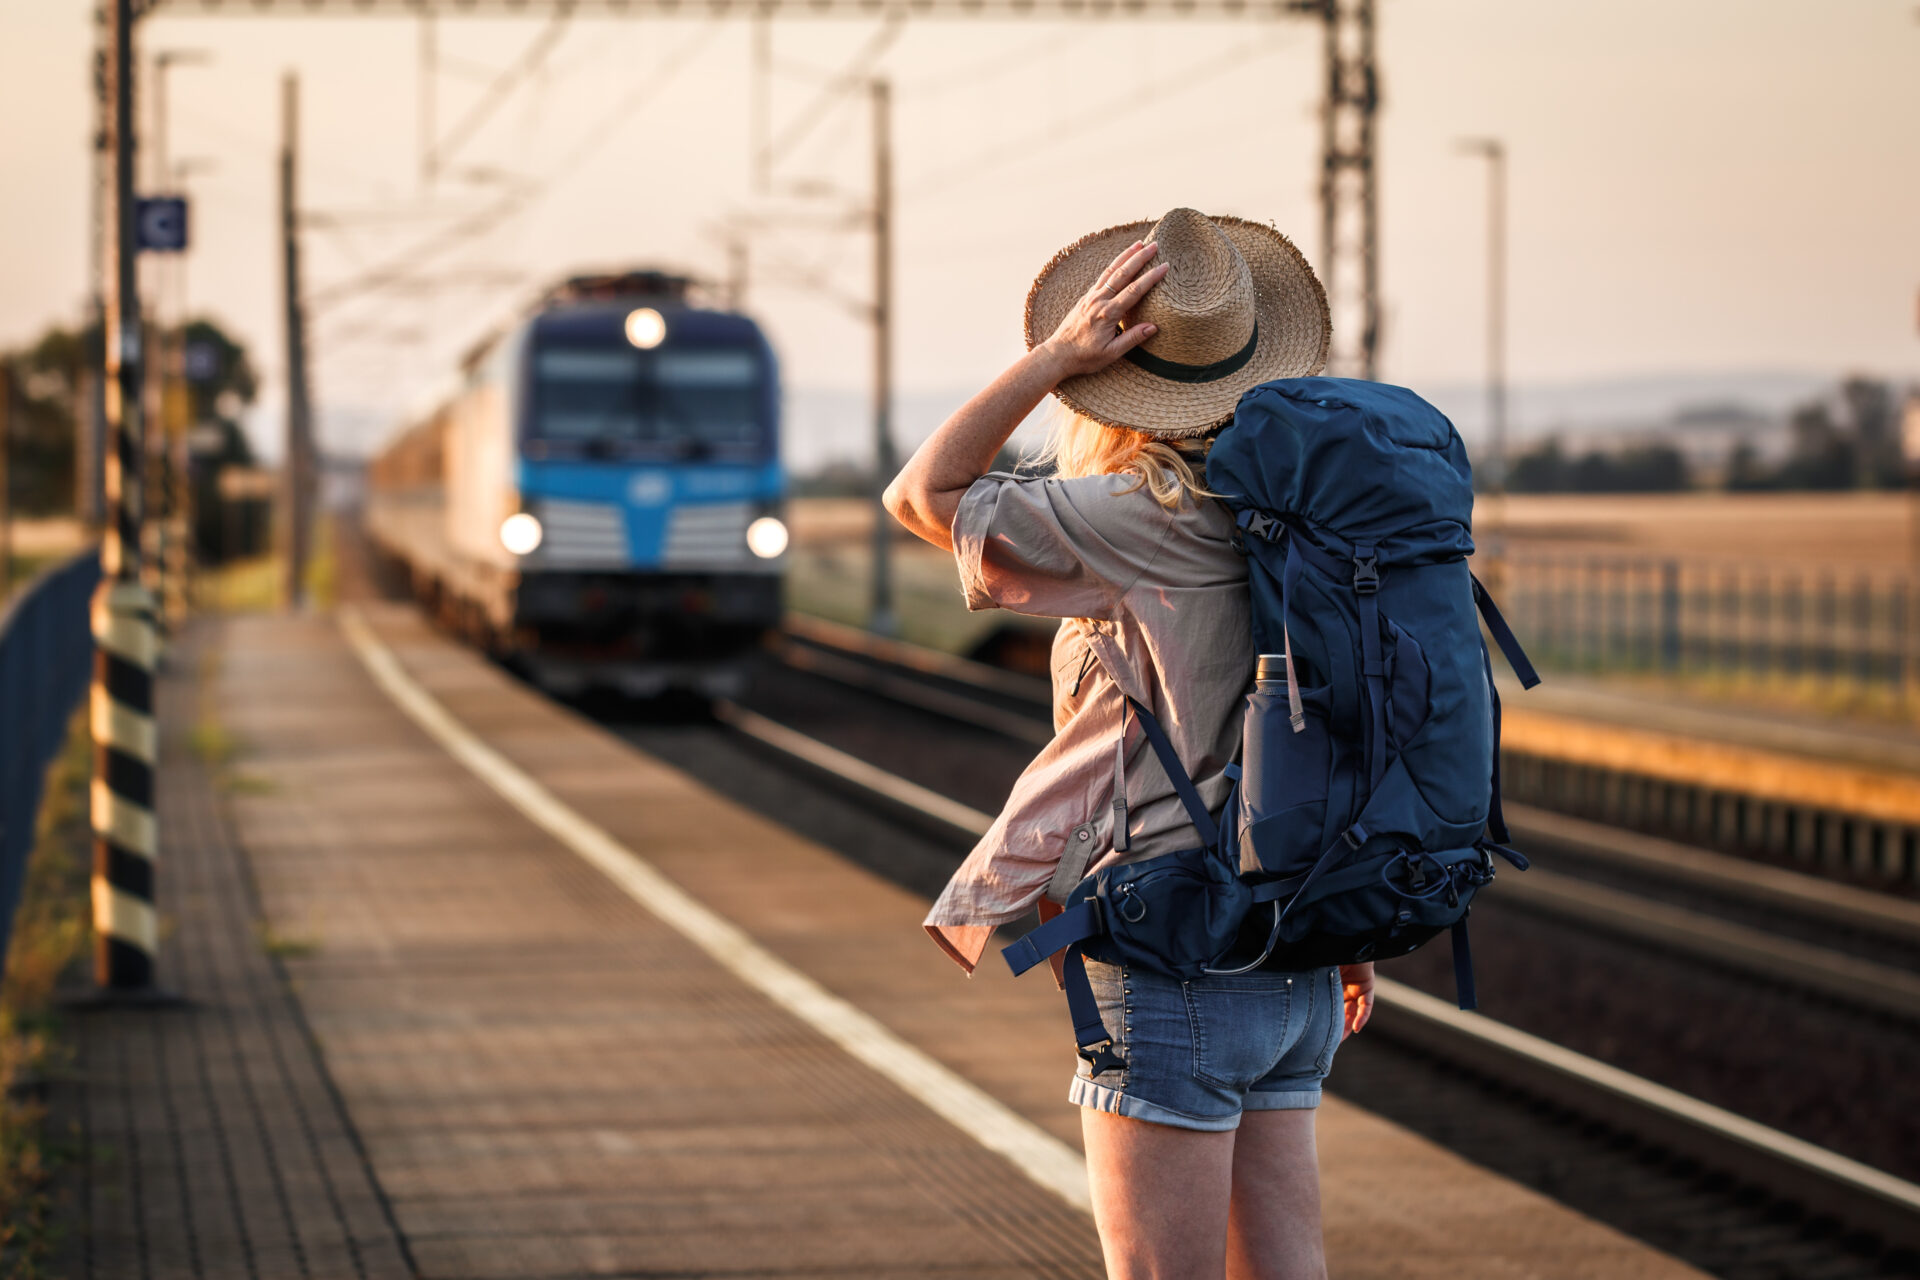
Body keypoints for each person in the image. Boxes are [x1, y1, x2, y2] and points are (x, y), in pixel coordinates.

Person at [883, 208, 1376, 1280]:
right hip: (1303, 954)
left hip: (1176, 954)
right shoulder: (1321, 518)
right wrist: (1351, 925)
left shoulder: (1147, 513)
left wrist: (1049, 360)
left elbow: (922, 496)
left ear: (1120, 374)